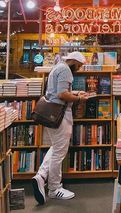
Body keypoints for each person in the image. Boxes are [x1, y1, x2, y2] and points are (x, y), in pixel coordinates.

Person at [32, 51, 89, 205]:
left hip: (51, 112)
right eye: (78, 66)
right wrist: (79, 98)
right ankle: (54, 188)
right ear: (73, 61)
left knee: (56, 148)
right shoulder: (65, 70)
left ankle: (41, 176)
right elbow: (62, 94)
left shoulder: (58, 67)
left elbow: (56, 92)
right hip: (60, 114)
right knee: (59, 152)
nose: (78, 69)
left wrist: (75, 92)